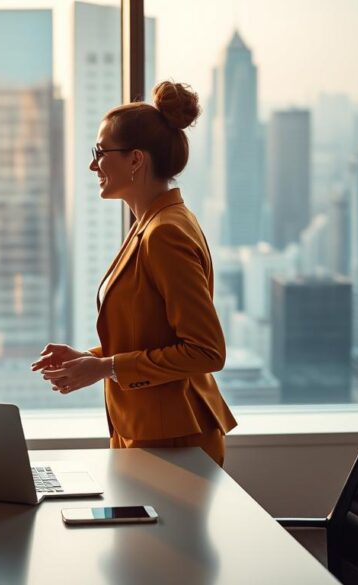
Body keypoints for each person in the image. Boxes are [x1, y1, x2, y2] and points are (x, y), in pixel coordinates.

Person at [31, 81, 236, 466]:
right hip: (149, 432)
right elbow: (152, 334)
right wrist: (88, 361)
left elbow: (206, 350)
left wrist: (105, 367)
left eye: (100, 152)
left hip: (174, 439)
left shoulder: (165, 233)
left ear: (136, 160)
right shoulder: (152, 223)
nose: (93, 165)